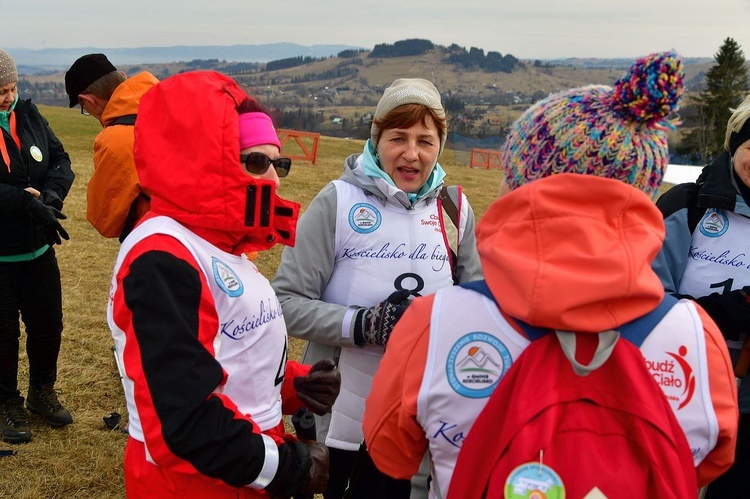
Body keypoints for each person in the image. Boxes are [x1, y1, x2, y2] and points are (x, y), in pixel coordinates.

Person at [363, 51, 739, 496]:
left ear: (521, 184)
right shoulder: (698, 338)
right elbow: (709, 463)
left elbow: (390, 451)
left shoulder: (434, 323)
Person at [107, 70, 340, 497]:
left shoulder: (221, 244)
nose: (273, 179)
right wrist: (288, 466)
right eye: (255, 162)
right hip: (195, 485)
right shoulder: (163, 259)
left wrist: (293, 384)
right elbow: (184, 420)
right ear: (201, 159)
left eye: (278, 163)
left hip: (240, 472)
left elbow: (228, 354)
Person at [272, 78, 483, 497]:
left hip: (425, 415)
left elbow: (480, 308)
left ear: (439, 144)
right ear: (376, 138)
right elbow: (284, 302)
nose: (411, 153)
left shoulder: (455, 210)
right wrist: (363, 324)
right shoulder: (338, 201)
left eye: (425, 140)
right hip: (341, 416)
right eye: (398, 137)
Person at [653, 93, 750, 497]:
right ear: (736, 144)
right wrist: (712, 314)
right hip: (681, 391)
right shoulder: (686, 205)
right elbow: (643, 300)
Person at [0, 49, 75, 444]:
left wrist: (50, 198)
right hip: (1, 256)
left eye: (10, 88)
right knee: (3, 334)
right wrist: (23, 201)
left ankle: (41, 392)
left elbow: (61, 160)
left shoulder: (29, 115)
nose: (6, 97)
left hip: (38, 250)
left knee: (48, 325)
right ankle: (5, 402)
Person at [65, 53, 158, 242]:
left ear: (89, 100)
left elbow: (104, 220)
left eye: (84, 108)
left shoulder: (116, 140)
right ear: (123, 76)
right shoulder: (171, 103)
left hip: (161, 240)